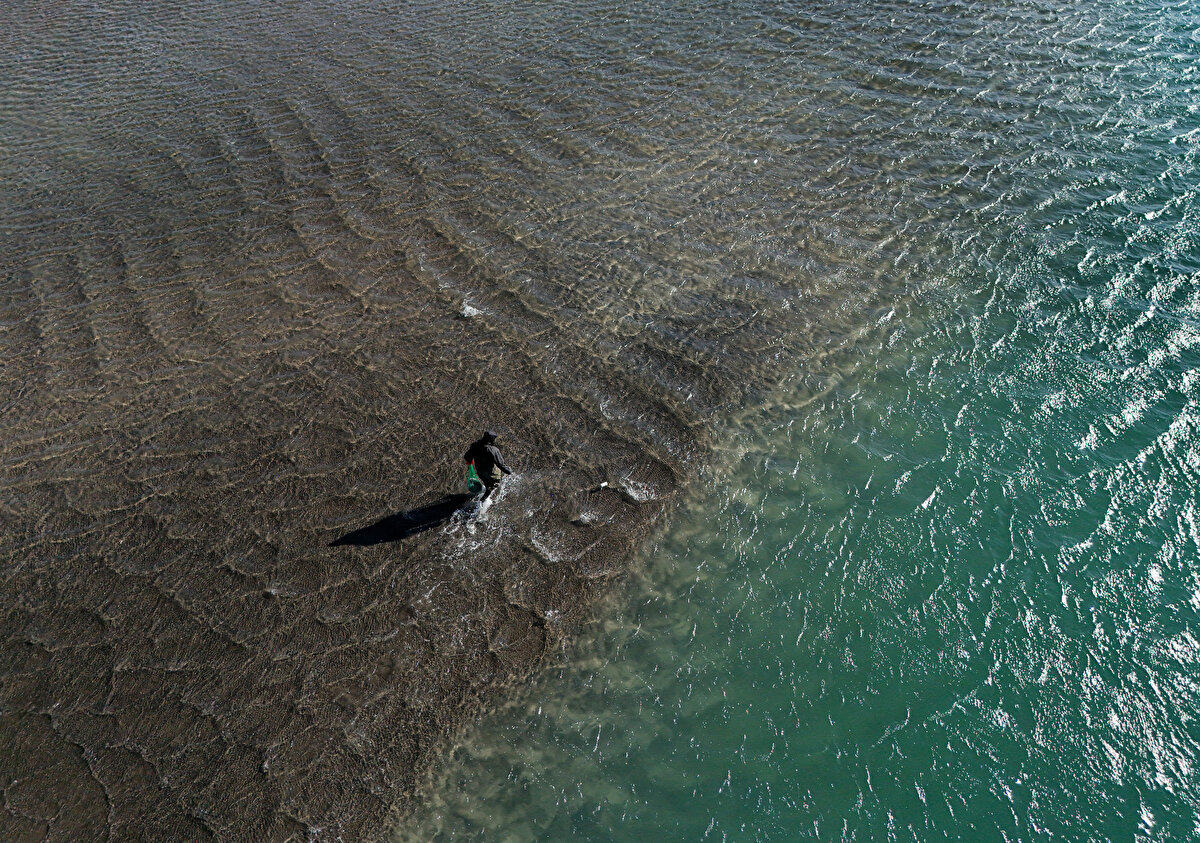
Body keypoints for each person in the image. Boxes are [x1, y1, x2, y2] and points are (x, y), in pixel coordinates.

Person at [463, 430, 512, 501]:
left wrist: (470, 460)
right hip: (492, 475)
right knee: (492, 488)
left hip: (481, 473)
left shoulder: (475, 446)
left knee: (487, 484)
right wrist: (510, 472)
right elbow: (501, 465)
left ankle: (485, 494)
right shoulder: (493, 450)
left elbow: (467, 457)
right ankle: (482, 502)